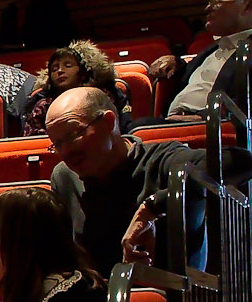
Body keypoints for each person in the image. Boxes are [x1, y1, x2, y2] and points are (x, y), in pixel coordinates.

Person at [43, 86, 243, 272]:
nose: (65, 152)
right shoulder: (64, 176)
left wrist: (153, 207)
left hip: (171, 294)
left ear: (109, 122)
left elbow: (241, 163)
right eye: (57, 144)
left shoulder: (163, 159)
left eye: (73, 135)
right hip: (100, 294)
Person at [155, 0, 252, 120]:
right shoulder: (213, 49)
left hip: (212, 128)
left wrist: (203, 118)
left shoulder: (248, 51)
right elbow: (186, 74)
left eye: (219, 1)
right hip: (171, 123)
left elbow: (244, 107)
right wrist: (174, 62)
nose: (208, 8)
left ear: (247, 6)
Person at [22, 40, 131, 135]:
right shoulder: (43, 106)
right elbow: (34, 139)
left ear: (83, 73)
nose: (60, 71)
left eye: (68, 66)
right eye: (54, 69)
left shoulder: (102, 96)